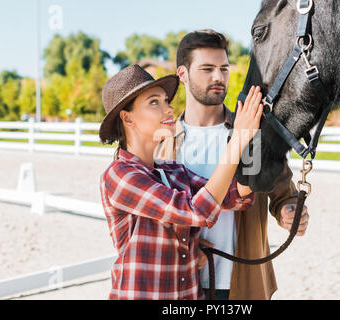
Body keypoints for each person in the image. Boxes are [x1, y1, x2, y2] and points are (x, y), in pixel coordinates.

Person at [155, 29, 310, 300]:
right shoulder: (162, 143)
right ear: (182, 74)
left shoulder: (253, 131)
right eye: (207, 69)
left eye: (223, 69)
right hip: (181, 283)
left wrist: (289, 209)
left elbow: (283, 191)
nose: (218, 77)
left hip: (245, 285)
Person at [99, 64, 264, 300]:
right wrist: (237, 140)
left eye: (166, 101)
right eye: (154, 102)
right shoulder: (120, 175)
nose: (169, 109)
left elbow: (233, 196)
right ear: (128, 118)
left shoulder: (174, 170)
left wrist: (255, 139)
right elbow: (197, 211)